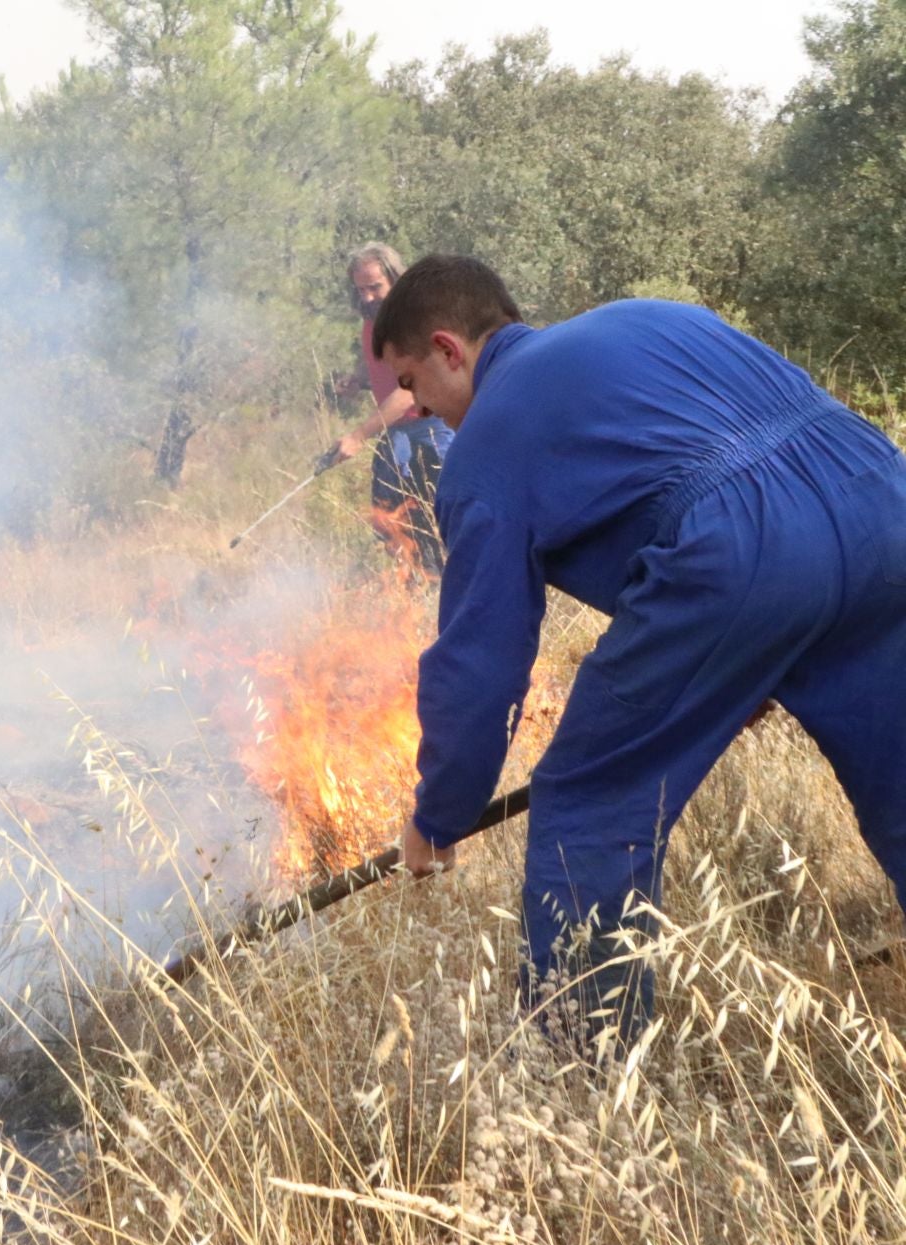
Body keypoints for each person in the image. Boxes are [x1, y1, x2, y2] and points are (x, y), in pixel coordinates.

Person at [378, 255, 906, 1045]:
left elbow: (481, 665)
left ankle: (578, 1077)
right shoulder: (650, 317)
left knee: (590, 800)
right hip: (882, 501)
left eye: (414, 383)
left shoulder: (487, 443)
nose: (416, 409)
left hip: (740, 555)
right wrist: (750, 655)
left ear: (450, 349)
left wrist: (439, 814)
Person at [324, 243, 456, 573]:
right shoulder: (372, 321)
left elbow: (408, 391)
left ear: (395, 280)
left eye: (375, 287)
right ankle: (414, 592)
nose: (367, 297)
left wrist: (357, 435)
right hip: (398, 433)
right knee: (393, 524)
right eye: (360, 289)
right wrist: (358, 380)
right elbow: (384, 368)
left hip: (433, 431)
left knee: (444, 522)